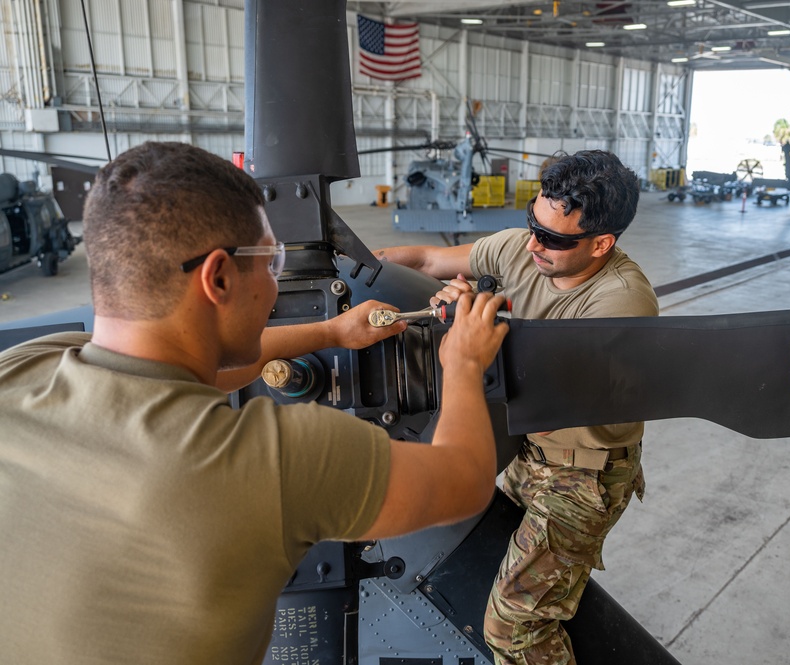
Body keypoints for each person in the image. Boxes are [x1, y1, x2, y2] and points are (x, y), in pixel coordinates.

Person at [0, 141, 509, 664]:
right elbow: (465, 479)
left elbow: (207, 367)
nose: (274, 282)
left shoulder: (22, 366)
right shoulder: (273, 462)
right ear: (218, 277)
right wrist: (464, 363)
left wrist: (331, 331)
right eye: (271, 261)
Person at [376, 149, 659, 665]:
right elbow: (422, 260)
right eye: (533, 223)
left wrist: (473, 322)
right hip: (528, 454)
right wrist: (357, 270)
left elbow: (546, 384)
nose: (534, 244)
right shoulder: (522, 251)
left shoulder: (622, 302)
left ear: (602, 243)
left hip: (583, 478)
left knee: (514, 627)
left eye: (553, 238)